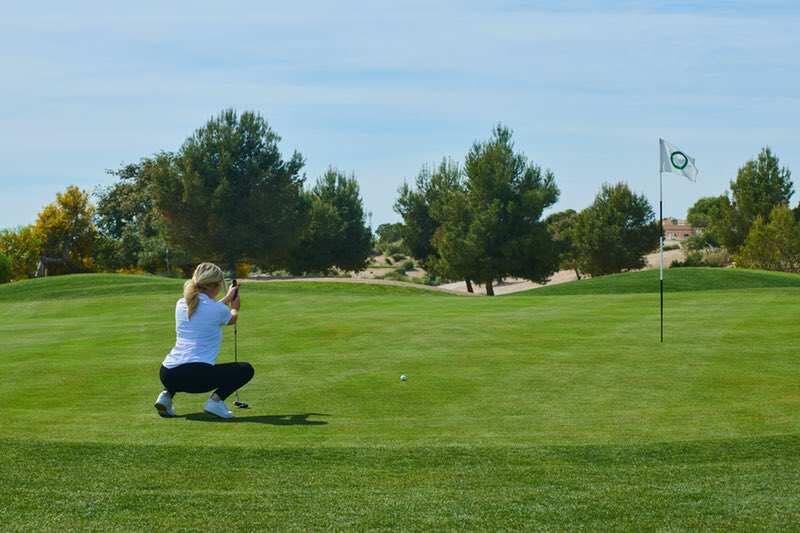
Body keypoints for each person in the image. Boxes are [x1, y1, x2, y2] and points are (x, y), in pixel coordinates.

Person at [154, 262, 254, 419]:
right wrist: (234, 306)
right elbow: (231, 318)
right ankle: (215, 402)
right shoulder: (216, 309)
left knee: (180, 370)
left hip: (167, 373)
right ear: (213, 286)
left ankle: (166, 396)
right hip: (195, 377)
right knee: (245, 369)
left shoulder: (181, 303)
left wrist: (227, 298)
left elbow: (207, 310)